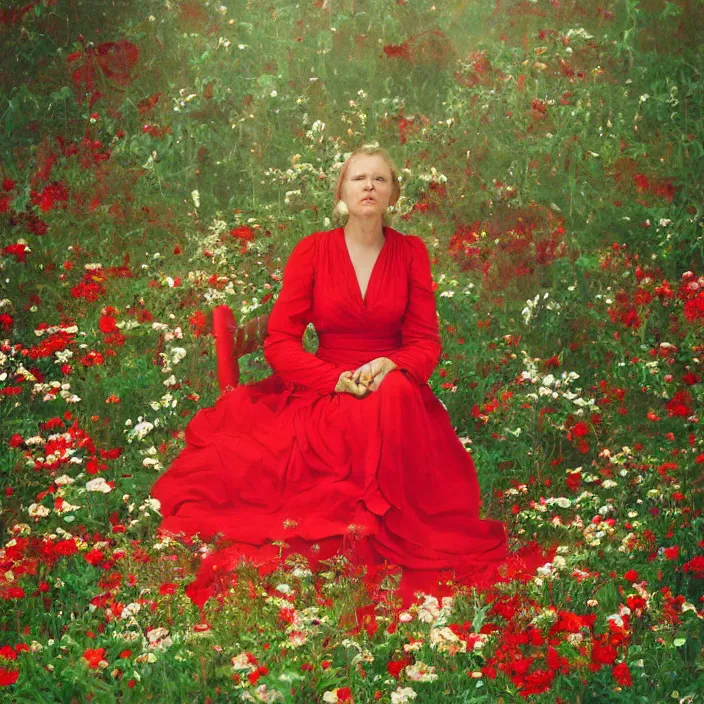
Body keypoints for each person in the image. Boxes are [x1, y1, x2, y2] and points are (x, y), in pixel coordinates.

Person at [150, 145, 553, 608]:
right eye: (358, 178)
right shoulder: (314, 251)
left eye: (379, 180)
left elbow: (425, 341)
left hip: (392, 384)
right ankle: (361, 529)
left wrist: (392, 364)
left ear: (393, 194)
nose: (368, 186)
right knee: (352, 418)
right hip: (325, 386)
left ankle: (394, 530)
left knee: (396, 392)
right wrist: (333, 379)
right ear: (341, 191)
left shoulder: (410, 252)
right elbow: (280, 341)